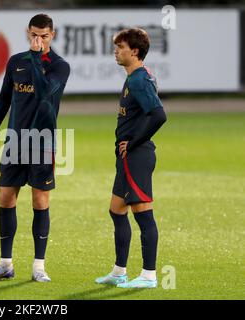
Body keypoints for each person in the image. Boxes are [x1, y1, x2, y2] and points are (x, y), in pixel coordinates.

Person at [0, 13, 70, 282]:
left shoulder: (59, 66)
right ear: (27, 32)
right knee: (6, 197)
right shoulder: (15, 62)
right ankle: (5, 264)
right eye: (34, 35)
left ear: (52, 35)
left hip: (42, 142)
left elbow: (44, 92)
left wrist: (36, 57)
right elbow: (3, 98)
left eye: (44, 36)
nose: (38, 41)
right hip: (14, 141)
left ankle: (39, 266)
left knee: (39, 200)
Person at [95, 28, 167, 289]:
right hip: (127, 158)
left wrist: (134, 142)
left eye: (121, 47)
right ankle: (119, 272)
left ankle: (149, 275)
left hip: (136, 156)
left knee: (143, 215)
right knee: (116, 210)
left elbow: (159, 115)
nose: (116, 51)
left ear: (134, 51)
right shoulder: (135, 77)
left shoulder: (138, 79)